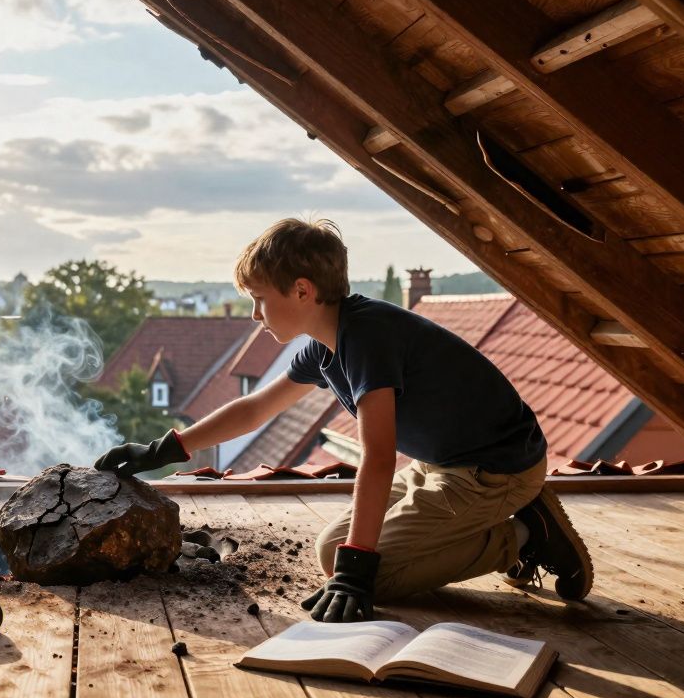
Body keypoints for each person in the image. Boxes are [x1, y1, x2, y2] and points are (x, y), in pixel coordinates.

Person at [95, 218, 591, 622]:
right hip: (444, 466)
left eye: (259, 298)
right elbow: (254, 409)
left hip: (496, 472)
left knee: (373, 576)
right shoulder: (325, 345)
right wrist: (160, 450)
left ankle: (526, 535)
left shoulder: (367, 339)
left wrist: (358, 575)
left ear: (303, 291)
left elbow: (376, 459)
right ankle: (516, 522)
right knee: (335, 551)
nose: (253, 315)